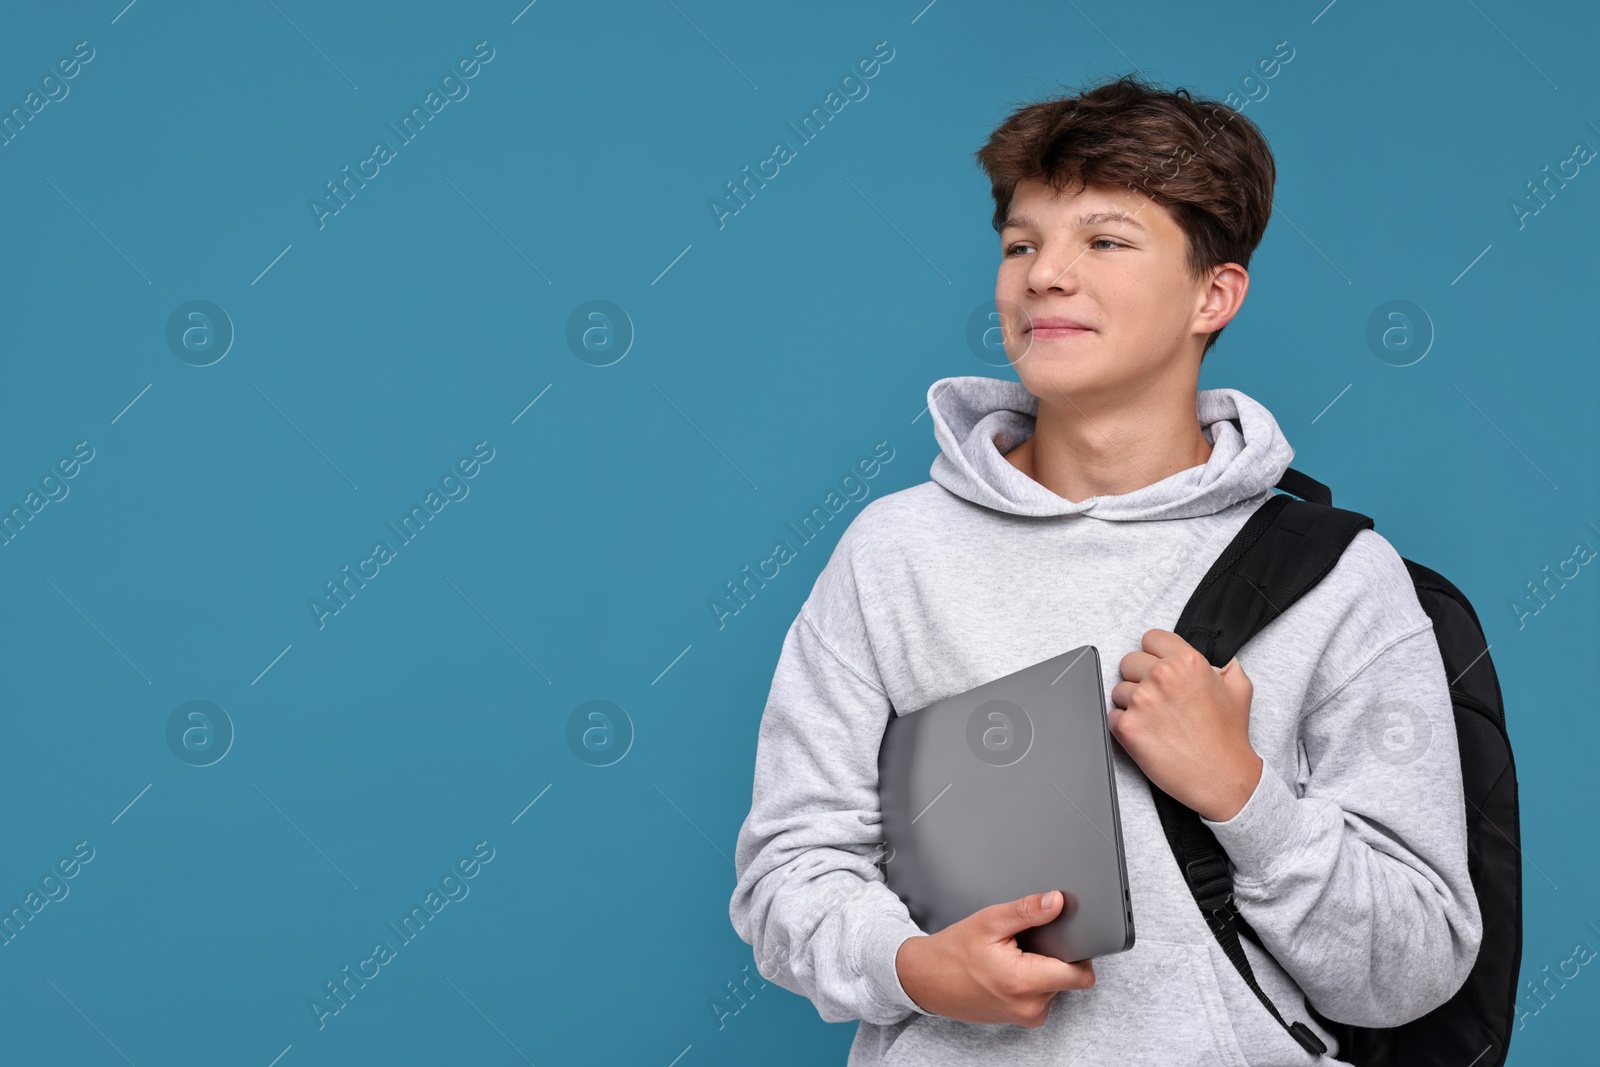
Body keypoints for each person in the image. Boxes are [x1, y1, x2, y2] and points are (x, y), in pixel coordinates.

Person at [728, 72, 1482, 1066]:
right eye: (1021, 243)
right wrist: (914, 964)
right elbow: (787, 871)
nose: (1044, 274)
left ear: (1212, 293)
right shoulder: (892, 551)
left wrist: (1242, 793)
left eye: (1105, 240)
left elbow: (1414, 963)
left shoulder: (1337, 579)